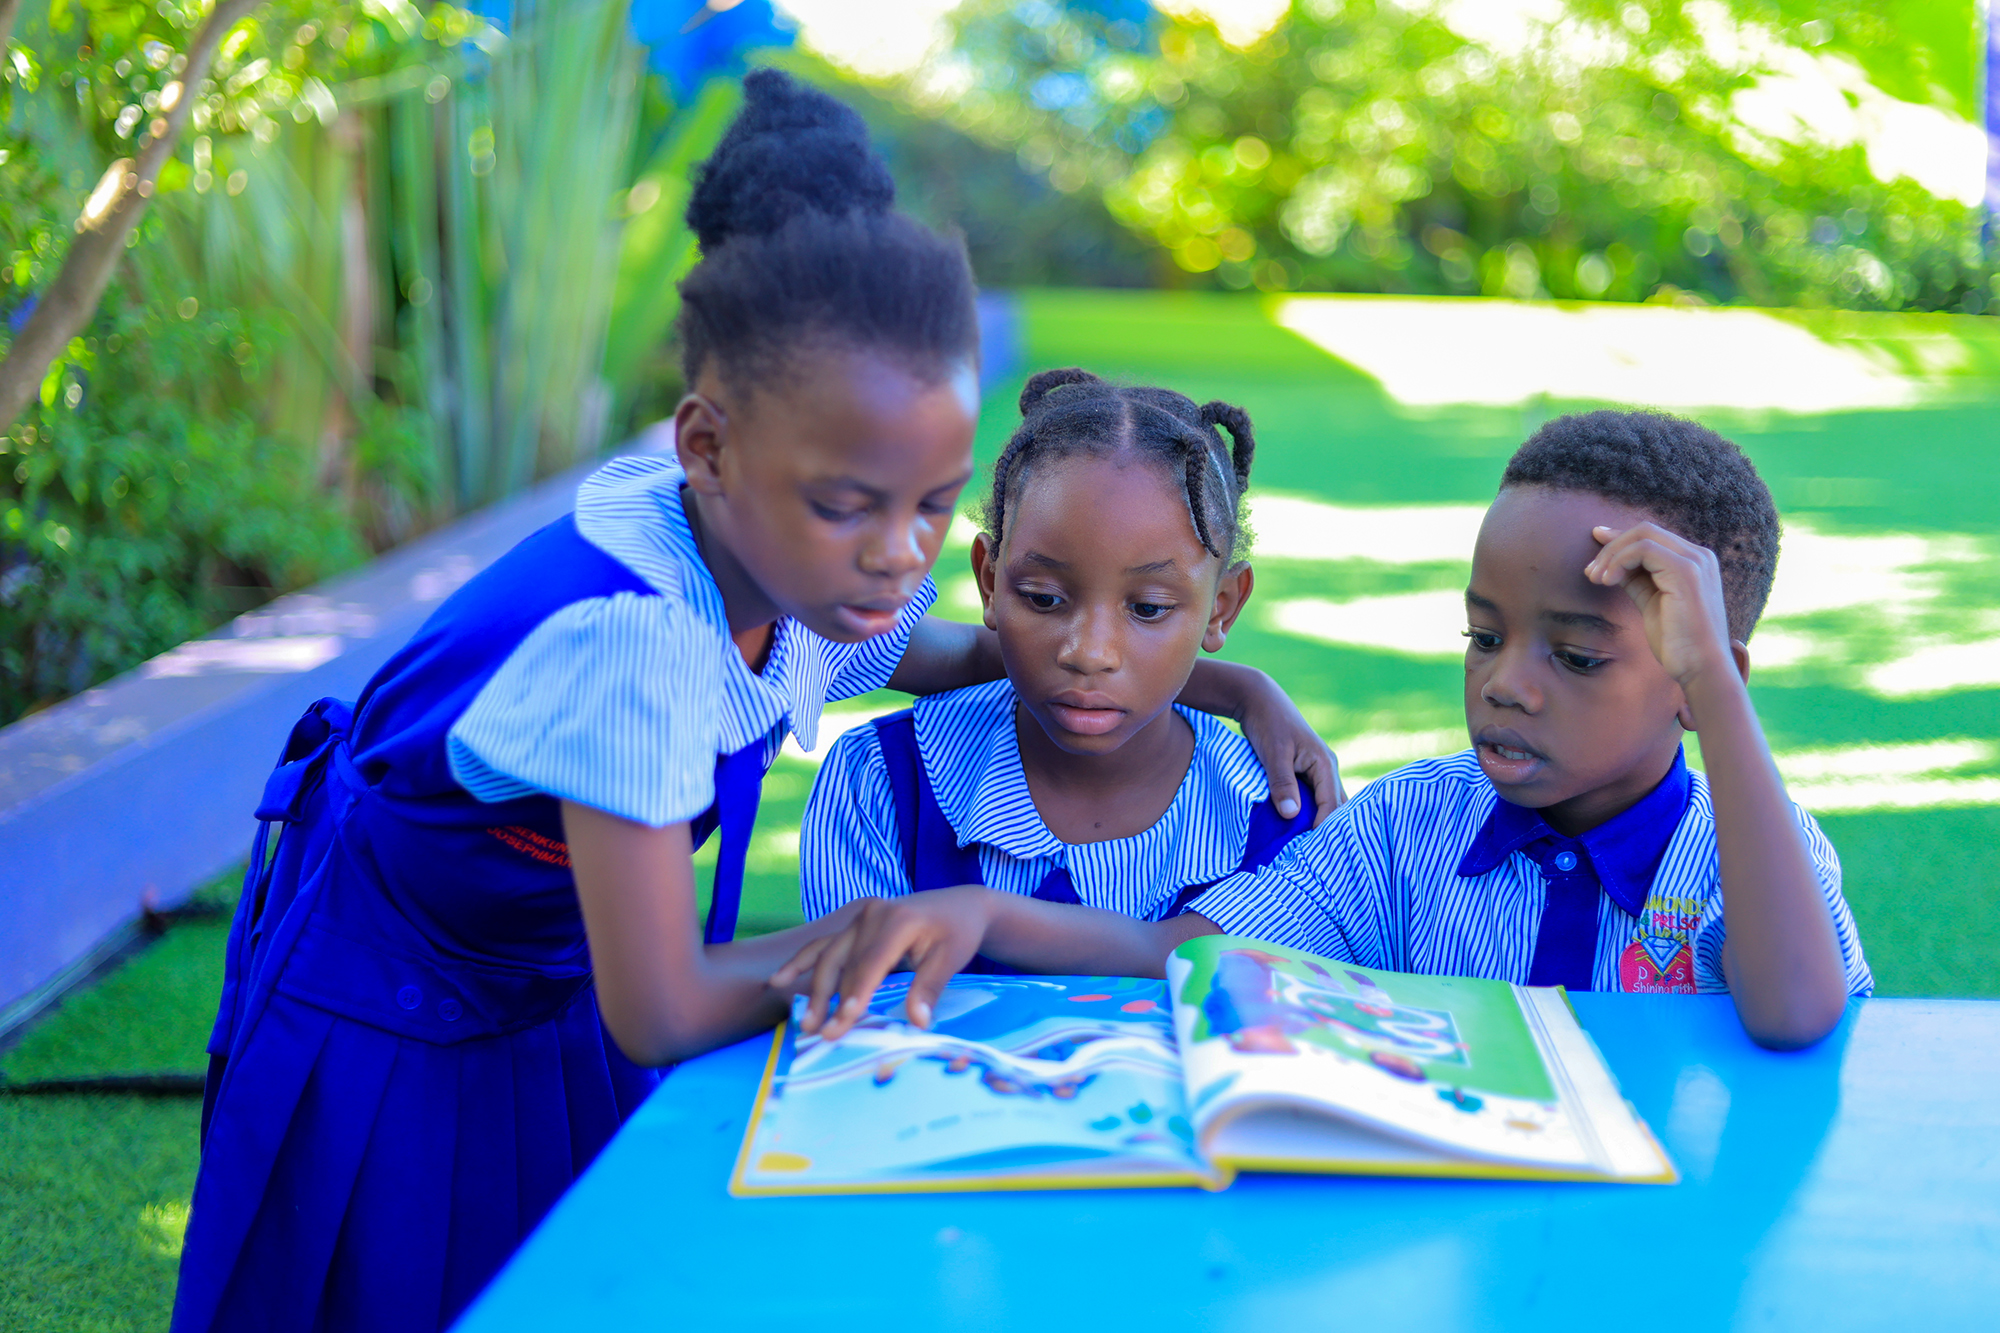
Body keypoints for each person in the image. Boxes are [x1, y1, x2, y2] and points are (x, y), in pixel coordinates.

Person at [171, 72, 1336, 1333]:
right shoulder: (636, 647)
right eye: (852, 505)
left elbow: (955, 651)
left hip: (544, 986)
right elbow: (663, 1007)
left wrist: (1227, 681)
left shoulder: (774, 561)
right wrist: (911, 929)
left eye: (931, 504)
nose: (899, 559)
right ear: (706, 448)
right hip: (401, 1017)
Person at [785, 410, 1869, 1052]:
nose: (1505, 685)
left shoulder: (1751, 849)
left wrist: (1717, 696)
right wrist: (979, 911)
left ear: (1695, 680)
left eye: (1576, 657)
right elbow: (1172, 951)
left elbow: (1796, 1014)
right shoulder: (1406, 827)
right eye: (1482, 636)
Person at [793, 369, 1329, 995]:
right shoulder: (882, 783)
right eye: (1044, 598)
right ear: (990, 581)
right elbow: (857, 1035)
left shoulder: (1278, 818)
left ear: (1223, 608)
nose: (1088, 653)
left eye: (1148, 608)